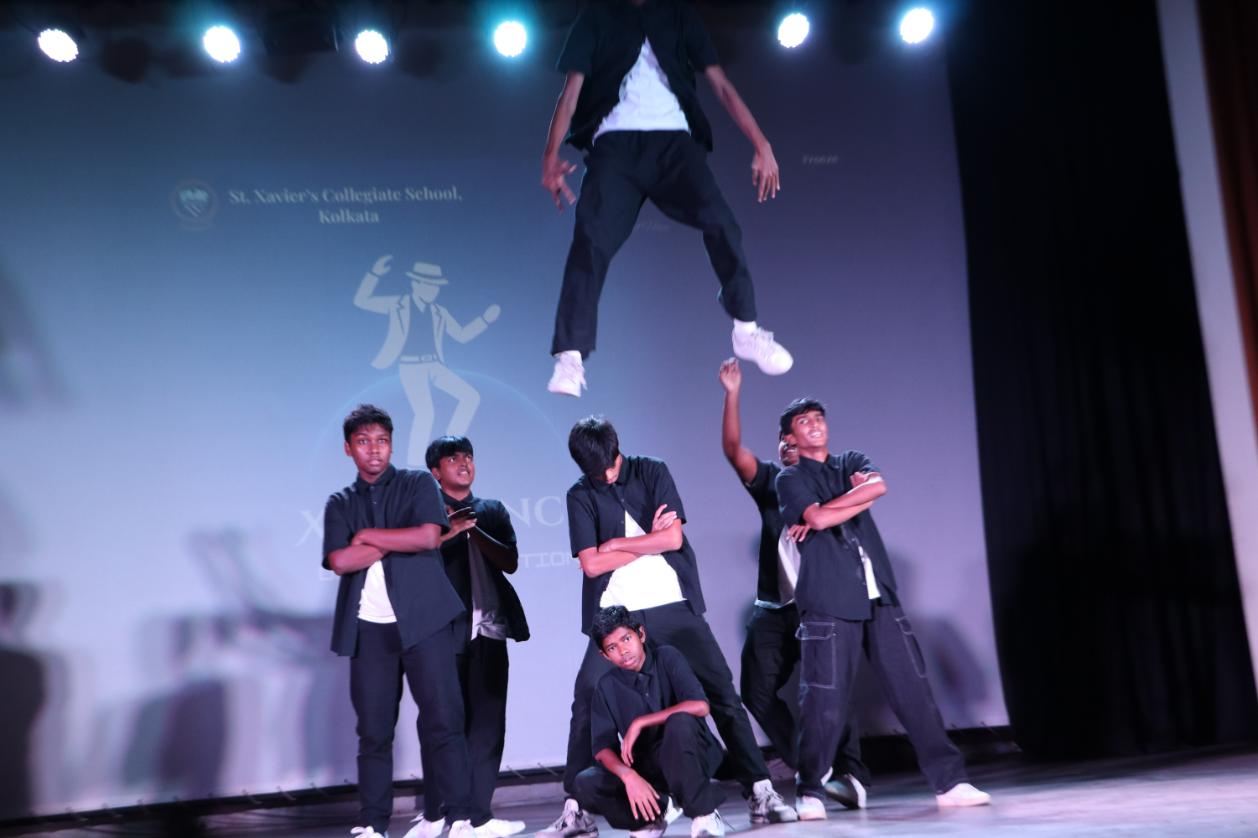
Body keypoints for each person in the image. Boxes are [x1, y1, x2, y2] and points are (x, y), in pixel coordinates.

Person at [538, 417, 796, 838]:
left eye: (610, 466)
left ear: (617, 449)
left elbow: (673, 540)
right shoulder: (580, 494)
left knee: (721, 691)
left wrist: (615, 544)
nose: (606, 476)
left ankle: (759, 789)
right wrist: (646, 542)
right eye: (596, 472)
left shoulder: (652, 471)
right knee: (586, 697)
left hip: (672, 604)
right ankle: (576, 810)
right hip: (615, 613)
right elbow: (591, 564)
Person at [541, 0, 792, 397]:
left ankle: (746, 330)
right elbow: (571, 93)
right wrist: (550, 156)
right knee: (590, 240)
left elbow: (721, 86)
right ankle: (570, 357)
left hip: (674, 144)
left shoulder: (678, 14)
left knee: (722, 222)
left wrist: (762, 144)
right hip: (614, 145)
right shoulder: (597, 16)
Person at [773, 399, 992, 817]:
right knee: (823, 701)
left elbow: (877, 488)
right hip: (829, 600)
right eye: (804, 421)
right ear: (790, 437)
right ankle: (810, 790)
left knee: (914, 691)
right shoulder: (791, 478)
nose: (815, 425)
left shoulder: (851, 460)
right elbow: (816, 519)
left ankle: (950, 783)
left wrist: (836, 507)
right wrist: (853, 499)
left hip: (880, 597)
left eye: (819, 418)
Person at [322, 404, 486, 838]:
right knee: (374, 732)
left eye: (382, 441)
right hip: (368, 629)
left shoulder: (416, 483)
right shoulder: (340, 503)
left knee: (444, 720)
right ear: (348, 448)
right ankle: (373, 824)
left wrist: (368, 537)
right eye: (363, 442)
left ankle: (461, 818)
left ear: (391, 445)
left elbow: (429, 536)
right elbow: (340, 561)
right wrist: (396, 539)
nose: (374, 450)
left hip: (425, 622)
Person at [716, 359, 870, 811]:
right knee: (756, 692)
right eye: (782, 441)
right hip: (775, 609)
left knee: (830, 688)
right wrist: (732, 393)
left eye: (795, 439)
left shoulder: (831, 480)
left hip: (821, 603)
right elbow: (733, 450)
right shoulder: (770, 482)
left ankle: (851, 775)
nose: (788, 446)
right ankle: (813, 766)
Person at [403, 437, 530, 838]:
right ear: (435, 471)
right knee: (441, 723)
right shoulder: (424, 512)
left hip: (489, 629)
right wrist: (452, 528)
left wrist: (474, 530)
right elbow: (417, 563)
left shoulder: (491, 510)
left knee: (488, 725)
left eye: (469, 456)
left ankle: (478, 816)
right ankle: (437, 811)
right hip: (443, 632)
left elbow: (510, 561)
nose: (464, 463)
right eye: (453, 458)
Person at [573, 606, 728, 838]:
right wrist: (628, 775)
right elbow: (602, 747)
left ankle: (704, 813)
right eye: (612, 648)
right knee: (586, 781)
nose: (623, 651)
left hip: (690, 753)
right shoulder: (606, 686)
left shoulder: (667, 657)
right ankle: (655, 815)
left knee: (679, 721)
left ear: (641, 634)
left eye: (626, 639)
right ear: (604, 655)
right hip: (648, 768)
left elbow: (700, 706)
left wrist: (640, 722)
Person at [353, 257, 500, 466]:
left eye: (436, 287)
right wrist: (374, 275)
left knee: (470, 396)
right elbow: (362, 300)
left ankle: (449, 447)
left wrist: (484, 320)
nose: (433, 291)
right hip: (411, 365)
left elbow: (462, 335)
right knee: (425, 413)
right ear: (416, 284)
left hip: (434, 365)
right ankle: (415, 465)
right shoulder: (398, 304)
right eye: (429, 285)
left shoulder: (439, 311)